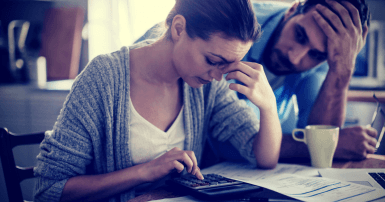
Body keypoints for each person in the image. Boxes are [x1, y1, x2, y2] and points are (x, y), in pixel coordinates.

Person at [33, 0, 282, 201]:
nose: (218, 76)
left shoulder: (205, 87)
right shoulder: (103, 78)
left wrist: (268, 106)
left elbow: (264, 157)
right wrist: (144, 171)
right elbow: (49, 189)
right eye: (213, 61)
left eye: (227, 66)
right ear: (178, 28)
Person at [137, 0, 377, 161]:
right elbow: (227, 144)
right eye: (300, 35)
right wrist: (312, 147)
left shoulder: (326, 60)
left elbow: (321, 148)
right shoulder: (235, 26)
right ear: (292, 10)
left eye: (316, 55)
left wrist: (342, 69)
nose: (295, 57)